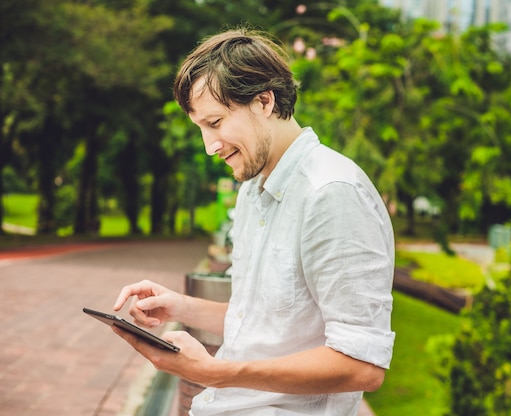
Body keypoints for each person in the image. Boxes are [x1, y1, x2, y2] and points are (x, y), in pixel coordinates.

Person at [112, 28, 396, 416]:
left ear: (264, 101)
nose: (209, 146)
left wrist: (217, 373)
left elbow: (362, 365)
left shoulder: (332, 193)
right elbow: (266, 321)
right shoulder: (253, 187)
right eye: (201, 129)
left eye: (215, 122)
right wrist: (180, 307)